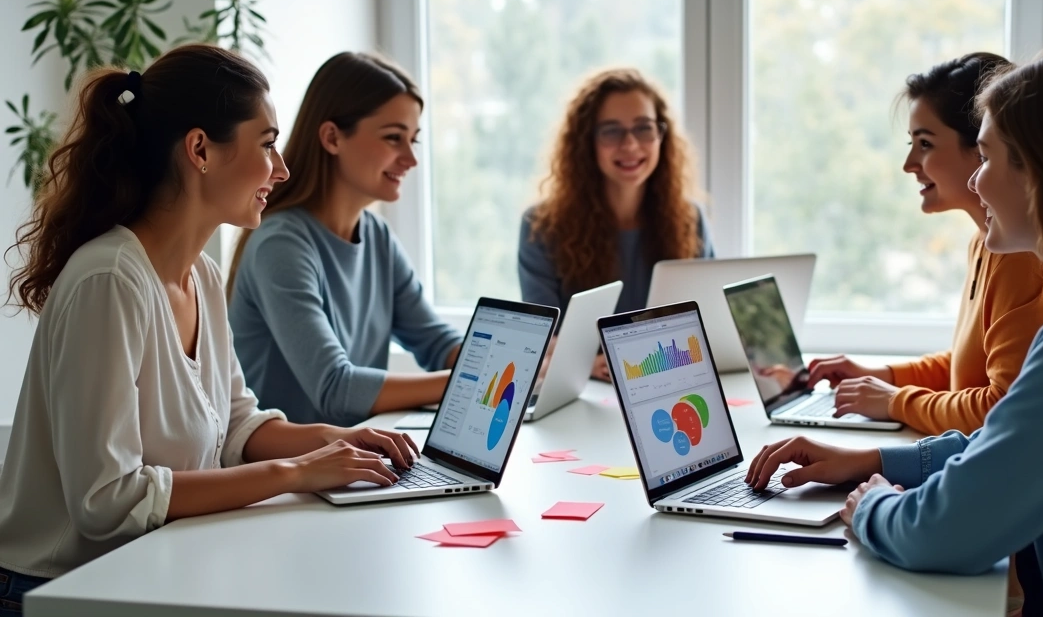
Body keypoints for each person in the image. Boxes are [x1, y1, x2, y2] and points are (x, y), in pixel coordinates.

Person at [745, 46, 1043, 617]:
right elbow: (1014, 445)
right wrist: (876, 461)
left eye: (987, 157)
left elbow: (944, 533)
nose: (976, 179)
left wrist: (871, 505)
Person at [0, 46, 418, 611]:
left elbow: (238, 422)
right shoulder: (110, 280)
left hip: (152, 566)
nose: (282, 169)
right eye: (267, 144)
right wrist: (295, 471)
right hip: (60, 590)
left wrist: (334, 441)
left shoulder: (200, 272)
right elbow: (106, 500)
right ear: (200, 149)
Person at [764, 53, 1043, 436]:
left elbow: (999, 404)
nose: (909, 163)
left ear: (980, 149)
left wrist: (892, 401)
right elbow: (970, 368)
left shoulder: (1021, 256)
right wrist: (880, 375)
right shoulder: (984, 243)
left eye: (925, 143)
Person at [227, 53, 462, 426]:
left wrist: (523, 367)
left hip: (350, 461)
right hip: (288, 476)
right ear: (332, 137)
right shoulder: (281, 244)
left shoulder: (377, 236)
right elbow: (336, 389)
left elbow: (435, 341)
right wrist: (471, 384)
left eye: (413, 140)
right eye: (393, 138)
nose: (410, 159)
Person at [518, 68, 713, 381]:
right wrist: (587, 362)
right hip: (587, 393)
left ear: (661, 135)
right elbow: (542, 337)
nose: (631, 145)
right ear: (586, 141)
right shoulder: (541, 226)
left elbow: (708, 320)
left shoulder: (691, 219)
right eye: (611, 131)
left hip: (670, 383)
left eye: (644, 129)